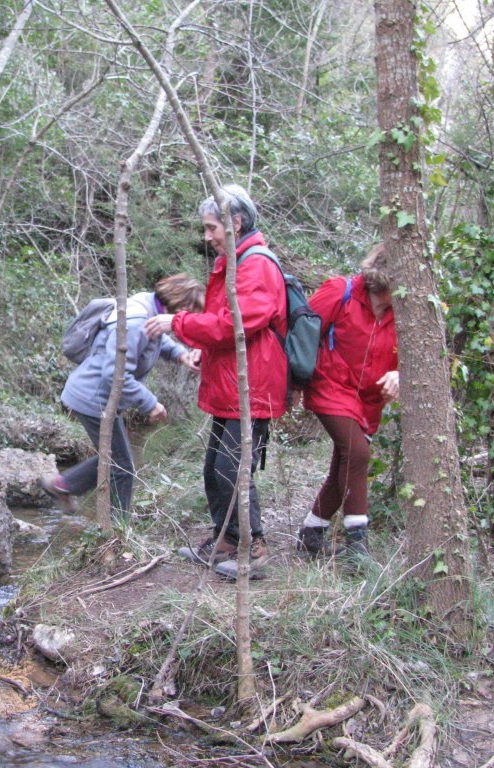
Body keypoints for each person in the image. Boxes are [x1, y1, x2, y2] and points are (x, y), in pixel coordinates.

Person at [146, 184, 288, 574]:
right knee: (214, 467)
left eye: (212, 227)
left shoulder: (256, 264)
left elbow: (236, 325)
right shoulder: (234, 262)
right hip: (232, 382)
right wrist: (199, 347)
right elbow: (225, 326)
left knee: (232, 468)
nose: (207, 236)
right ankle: (226, 541)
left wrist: (177, 322)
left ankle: (255, 550)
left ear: (235, 222)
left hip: (253, 386)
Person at [41, 274, 204, 517]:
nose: (187, 318)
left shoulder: (149, 308)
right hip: (92, 397)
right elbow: (114, 374)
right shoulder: (137, 320)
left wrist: (181, 354)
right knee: (122, 466)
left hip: (97, 396)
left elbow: (158, 340)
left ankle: (63, 486)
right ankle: (117, 529)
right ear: (180, 304)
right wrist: (150, 404)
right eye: (190, 311)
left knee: (115, 459)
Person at [296, 244, 399, 558]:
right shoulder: (340, 292)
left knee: (345, 466)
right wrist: (291, 384)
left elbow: (420, 359)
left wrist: (400, 373)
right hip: (330, 386)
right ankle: (358, 547)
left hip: (369, 401)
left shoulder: (407, 314)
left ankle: (311, 536)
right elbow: (301, 333)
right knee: (358, 454)